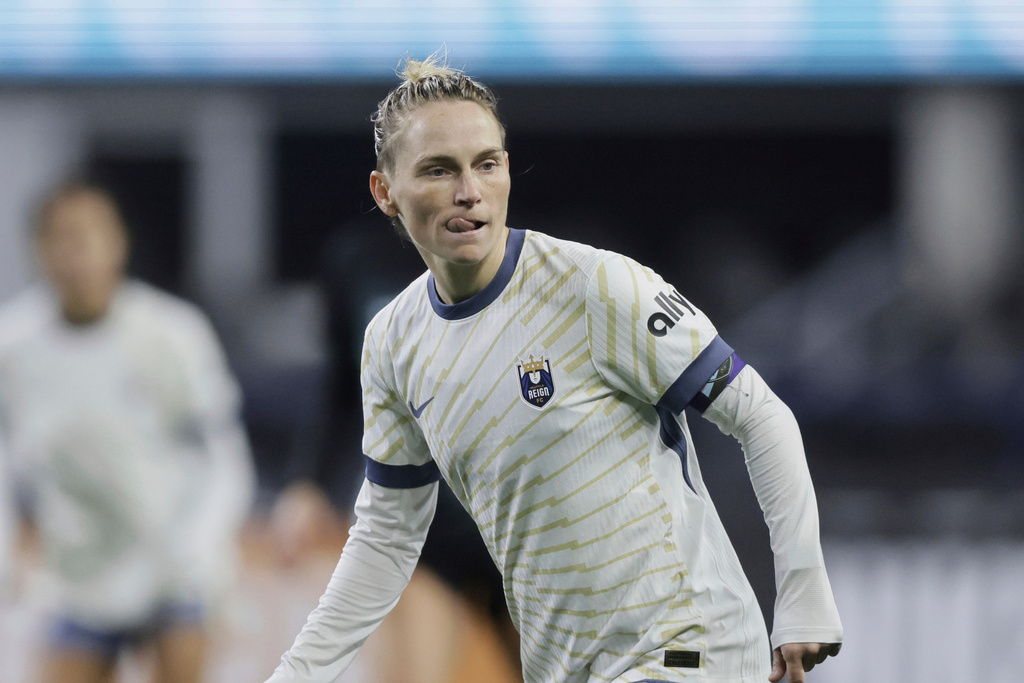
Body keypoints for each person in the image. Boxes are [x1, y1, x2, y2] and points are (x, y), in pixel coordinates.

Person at [267, 55, 843, 683]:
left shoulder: (594, 286)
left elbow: (761, 417)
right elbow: (386, 537)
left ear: (507, 169)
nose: (469, 190)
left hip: (685, 649)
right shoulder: (391, 343)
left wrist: (804, 596)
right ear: (386, 192)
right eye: (439, 170)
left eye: (486, 164)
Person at [0, 180, 256, 683]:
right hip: (80, 580)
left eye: (88, 236)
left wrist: (200, 550)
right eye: (61, 238)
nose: (75, 253)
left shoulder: (172, 334)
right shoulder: (13, 347)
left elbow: (223, 456)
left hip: (177, 572)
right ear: (39, 249)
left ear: (117, 242)